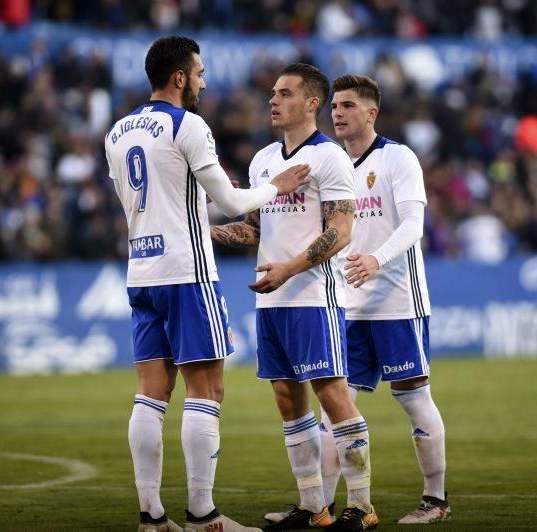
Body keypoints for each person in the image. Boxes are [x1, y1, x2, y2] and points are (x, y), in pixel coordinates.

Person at [104, 36, 310, 532]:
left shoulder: (116, 132)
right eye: (198, 73)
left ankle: (151, 516)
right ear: (178, 78)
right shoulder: (188, 124)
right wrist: (276, 187)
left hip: (142, 270)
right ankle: (203, 514)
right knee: (207, 389)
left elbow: (143, 203)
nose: (203, 81)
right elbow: (232, 202)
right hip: (187, 273)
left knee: (150, 395)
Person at [210, 63, 377, 531]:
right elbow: (256, 230)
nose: (272, 100)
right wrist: (203, 231)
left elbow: (341, 232)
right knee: (287, 399)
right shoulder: (263, 160)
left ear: (311, 103)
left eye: (284, 93)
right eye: (272, 92)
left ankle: (362, 507)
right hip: (271, 299)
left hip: (311, 297)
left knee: (334, 395)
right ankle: (313, 507)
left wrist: (289, 269)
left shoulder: (330, 158)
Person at [329, 74, 450, 524]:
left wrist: (377, 260)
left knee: (414, 399)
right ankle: (324, 506)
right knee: (338, 406)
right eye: (334, 106)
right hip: (350, 305)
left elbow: (413, 226)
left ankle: (435, 500)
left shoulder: (398, 158)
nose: (337, 113)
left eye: (347, 106)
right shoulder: (332, 164)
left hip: (398, 301)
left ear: (371, 112)